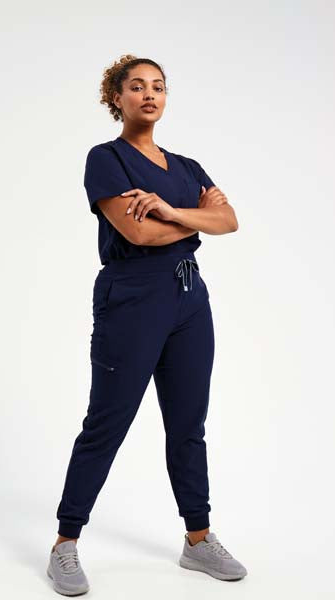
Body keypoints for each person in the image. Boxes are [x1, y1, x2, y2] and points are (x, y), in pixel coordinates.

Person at [46, 55, 246, 596]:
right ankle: (65, 542)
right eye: (136, 86)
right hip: (132, 298)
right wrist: (195, 221)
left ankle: (197, 538)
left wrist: (170, 211)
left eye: (158, 86)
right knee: (107, 424)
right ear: (116, 98)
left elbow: (229, 220)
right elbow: (136, 235)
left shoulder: (187, 166)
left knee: (188, 425)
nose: (149, 94)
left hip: (189, 300)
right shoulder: (105, 159)